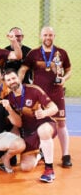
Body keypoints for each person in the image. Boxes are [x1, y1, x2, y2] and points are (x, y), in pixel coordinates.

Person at [18, 26, 72, 168]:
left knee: (61, 123)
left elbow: (69, 71)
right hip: (39, 95)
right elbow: (23, 69)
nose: (48, 38)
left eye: (50, 35)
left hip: (56, 93)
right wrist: (19, 83)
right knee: (40, 123)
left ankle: (66, 155)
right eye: (45, 35)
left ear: (54, 36)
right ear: (40, 36)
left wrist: (64, 79)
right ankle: (41, 152)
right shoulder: (33, 53)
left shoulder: (62, 53)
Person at [3, 69, 59, 183]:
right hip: (28, 131)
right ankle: (40, 155)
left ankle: (49, 170)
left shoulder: (33, 89)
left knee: (42, 131)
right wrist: (9, 109)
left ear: (19, 78)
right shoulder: (8, 98)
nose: (12, 81)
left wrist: (44, 113)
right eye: (8, 80)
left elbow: (54, 108)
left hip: (45, 124)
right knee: (25, 168)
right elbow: (18, 123)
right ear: (6, 83)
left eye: (13, 78)